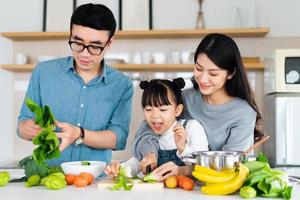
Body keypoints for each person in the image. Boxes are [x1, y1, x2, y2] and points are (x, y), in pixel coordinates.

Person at [17, 3, 133, 166]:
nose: (84, 53)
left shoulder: (122, 84)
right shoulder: (44, 72)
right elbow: (23, 122)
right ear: (70, 35)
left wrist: (79, 134)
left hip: (94, 180)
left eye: (95, 46)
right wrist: (26, 128)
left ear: (109, 43)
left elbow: (118, 138)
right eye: (77, 43)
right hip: (49, 178)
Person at [136, 33, 264, 179]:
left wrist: (183, 170)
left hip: (222, 187)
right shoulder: (185, 99)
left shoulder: (243, 113)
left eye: (213, 73)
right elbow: (149, 126)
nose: (203, 79)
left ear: (230, 73)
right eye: (198, 68)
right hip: (184, 188)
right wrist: (150, 153)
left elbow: (231, 168)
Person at [104, 78, 208, 178]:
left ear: (177, 110)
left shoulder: (191, 128)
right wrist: (119, 169)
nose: (154, 116)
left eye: (162, 110)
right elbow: (137, 163)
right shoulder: (146, 134)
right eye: (148, 109)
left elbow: (203, 167)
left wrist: (183, 148)